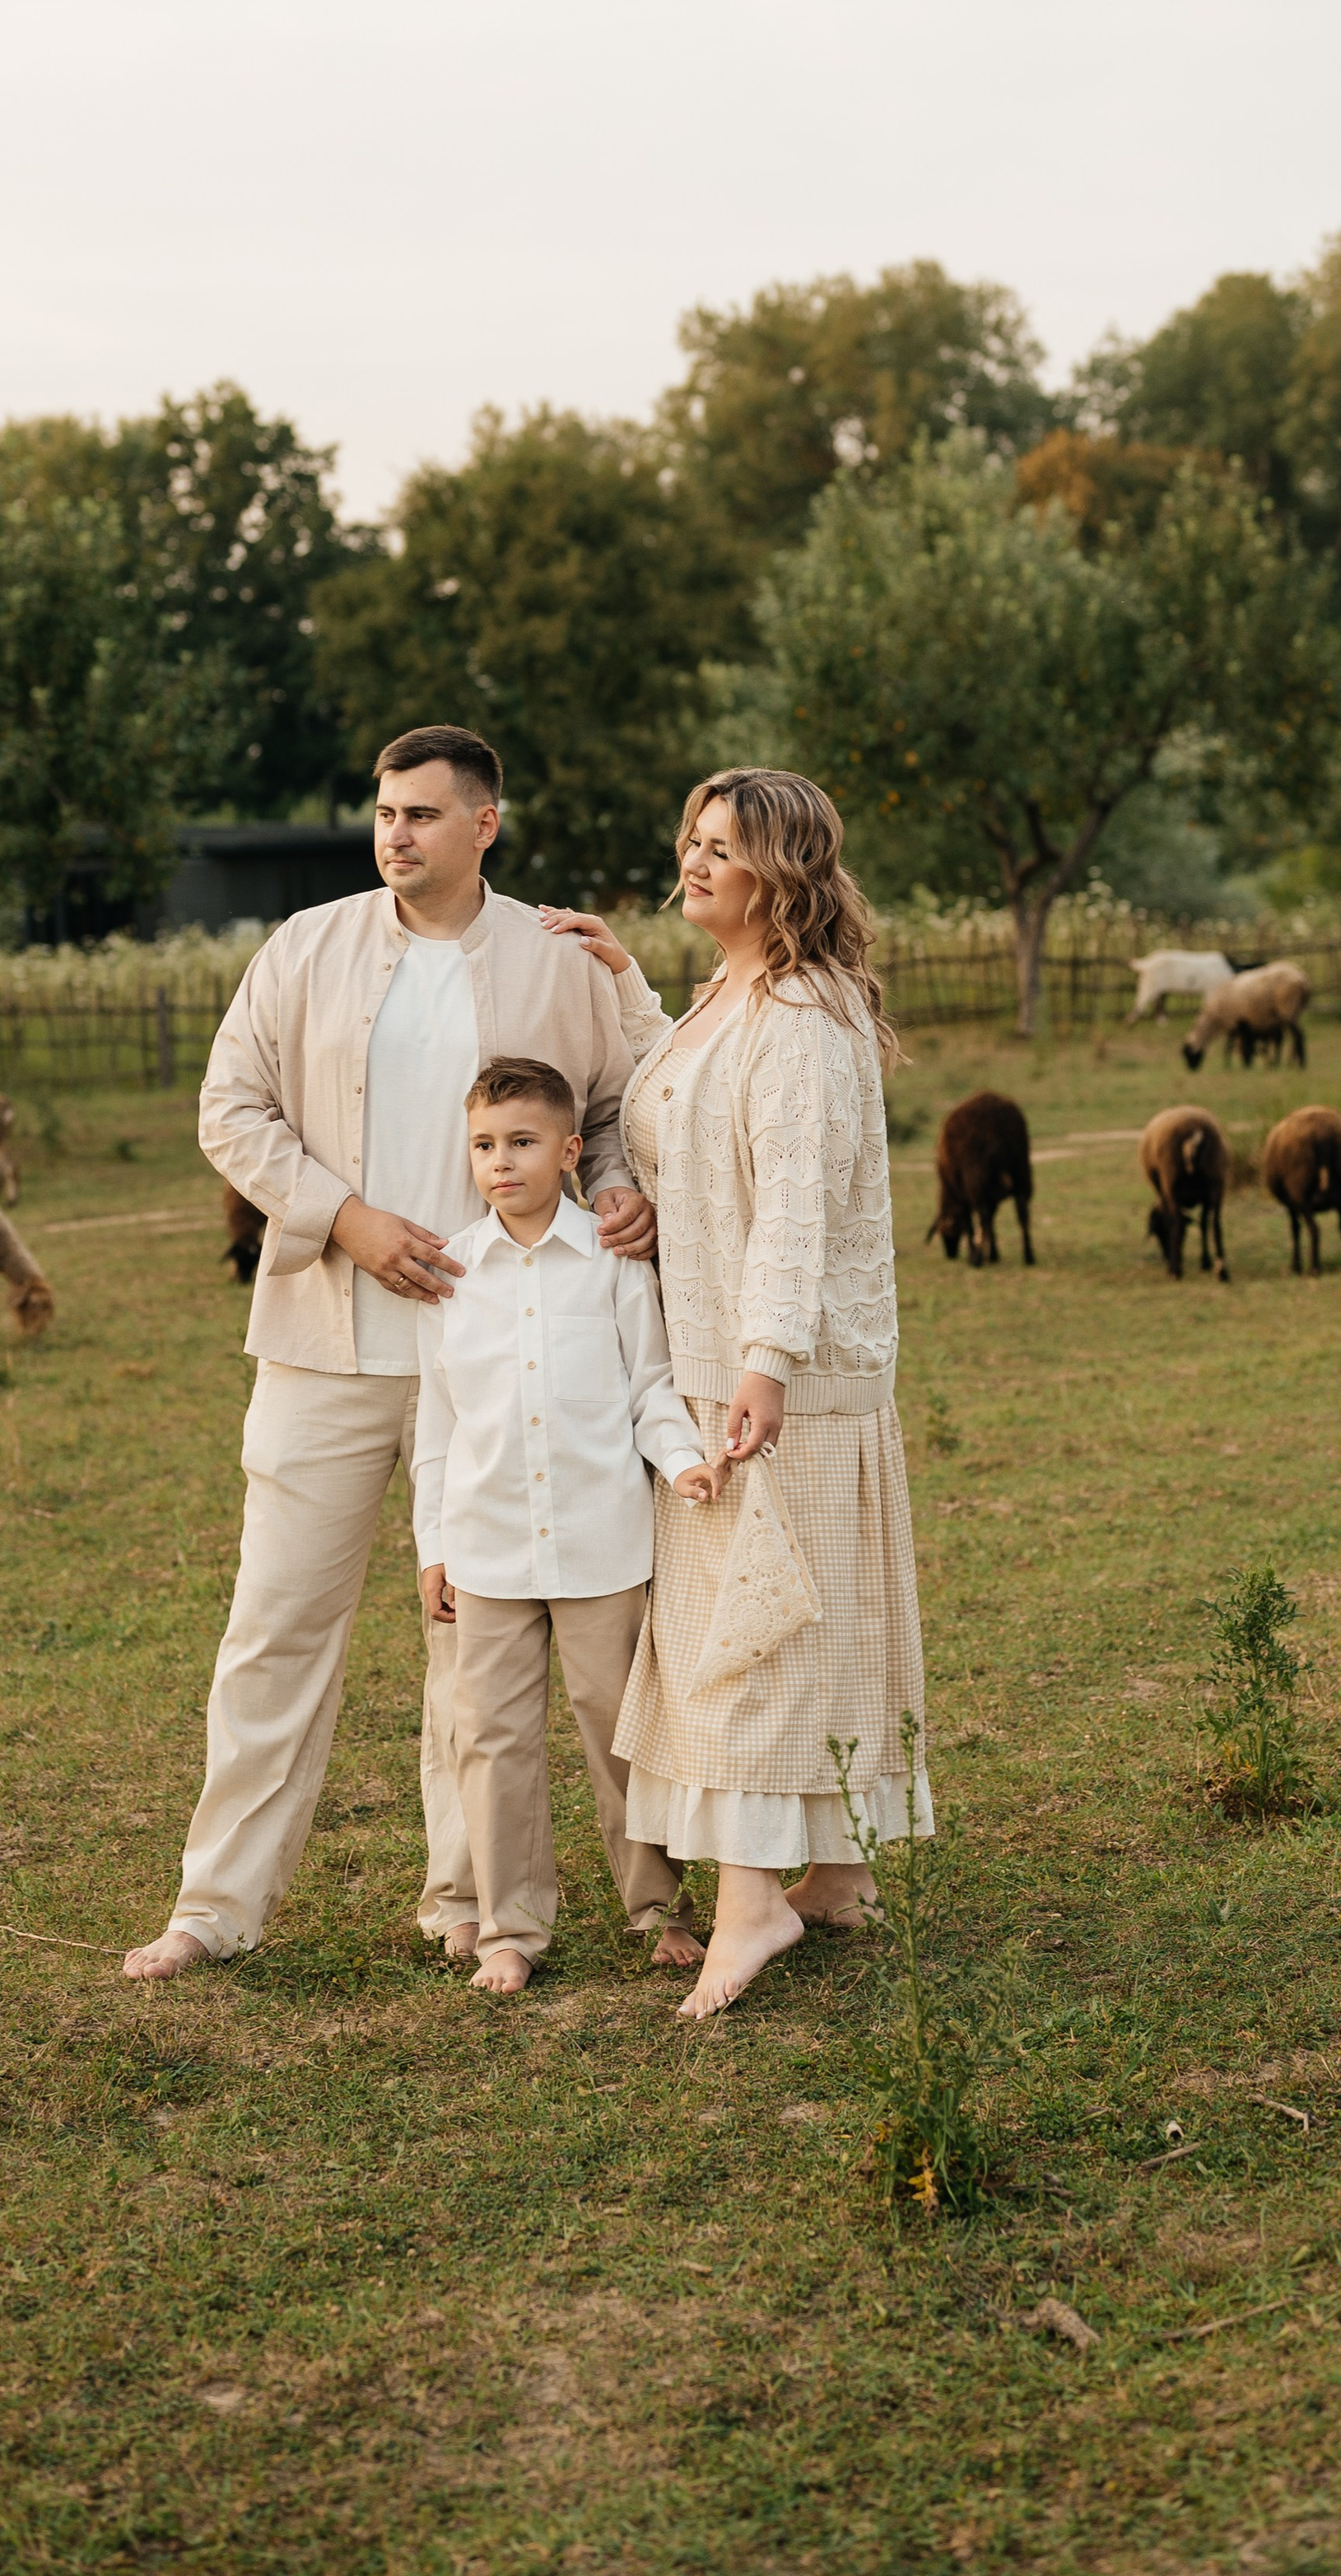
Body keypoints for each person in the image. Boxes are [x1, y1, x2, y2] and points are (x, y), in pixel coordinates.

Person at [123, 725, 661, 1982]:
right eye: (384, 812)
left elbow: (614, 1114)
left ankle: (464, 1897)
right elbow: (229, 1108)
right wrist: (345, 1218)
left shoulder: (558, 958)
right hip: (326, 1342)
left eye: (422, 812)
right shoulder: (305, 948)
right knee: (275, 1623)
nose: (396, 833)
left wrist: (619, 1189)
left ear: (485, 823)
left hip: (503, 1358)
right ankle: (216, 1905)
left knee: (468, 1635)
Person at [543, 765, 930, 2021]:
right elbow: (682, 1094)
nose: (694, 861)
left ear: (784, 873)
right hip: (723, 1353)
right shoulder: (731, 993)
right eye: (692, 840)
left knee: (753, 1632)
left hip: (776, 1375)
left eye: (723, 847)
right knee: (799, 1625)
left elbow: (797, 1208)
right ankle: (835, 1872)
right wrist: (626, 985)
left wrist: (765, 1361)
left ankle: (753, 1899)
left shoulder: (803, 1016)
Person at [414, 1055, 718, 1995]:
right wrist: (434, 1547)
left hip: (601, 1545)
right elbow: (437, 1427)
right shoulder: (453, 1275)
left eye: (521, 1141)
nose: (500, 1161)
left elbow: (650, 1388)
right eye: (483, 1145)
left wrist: (683, 1460)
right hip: (488, 1551)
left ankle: (659, 1907)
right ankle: (509, 1927)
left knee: (620, 1731)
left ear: (570, 1150)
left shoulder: (614, 1264)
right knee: (492, 1741)